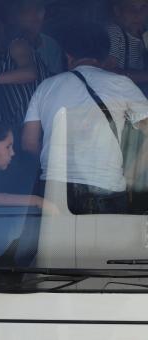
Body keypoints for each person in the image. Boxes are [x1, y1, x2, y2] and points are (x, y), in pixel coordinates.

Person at [22, 22, 148, 214]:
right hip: (105, 187)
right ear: (105, 58)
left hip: (53, 187)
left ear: (68, 56)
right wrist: (132, 174)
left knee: (54, 244)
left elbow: (29, 143)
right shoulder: (121, 84)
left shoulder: (46, 87)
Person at [13, 0, 64, 75]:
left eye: (39, 9)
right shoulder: (6, 44)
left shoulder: (51, 45)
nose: (35, 16)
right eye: (28, 10)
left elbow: (57, 77)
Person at [104, 0, 148, 82]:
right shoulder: (114, 32)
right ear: (117, 10)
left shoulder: (145, 34)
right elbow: (108, 71)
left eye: (143, 7)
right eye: (131, 7)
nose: (137, 14)